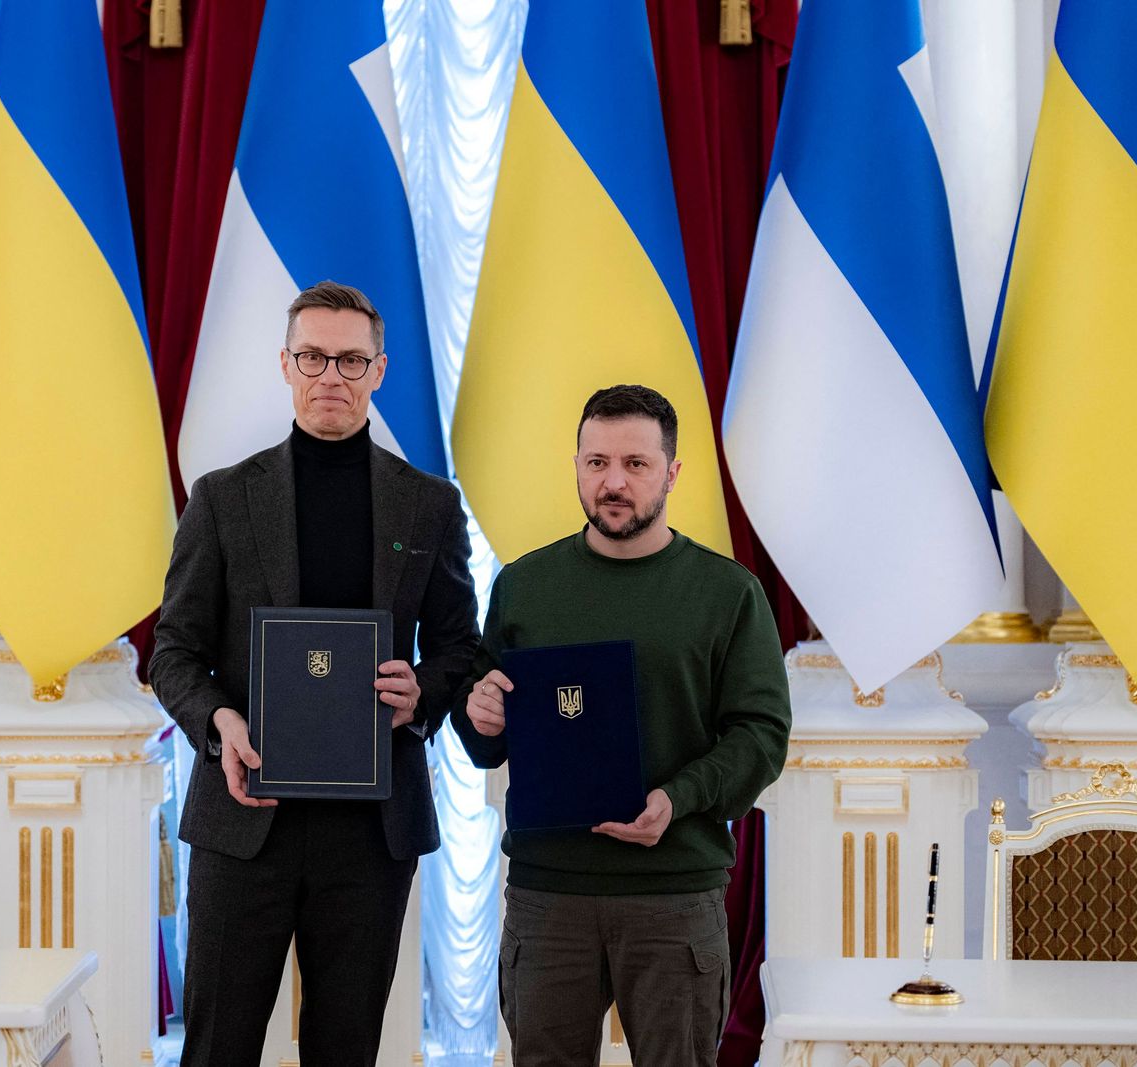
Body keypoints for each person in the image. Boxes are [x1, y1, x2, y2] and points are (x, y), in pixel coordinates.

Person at [150, 280, 478, 1067]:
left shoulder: (429, 505)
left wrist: (421, 692)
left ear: (380, 369)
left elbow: (463, 648)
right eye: (313, 357)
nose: (331, 374)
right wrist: (220, 722)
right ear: (286, 365)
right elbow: (172, 651)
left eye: (351, 359)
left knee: (346, 1052)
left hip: (371, 831)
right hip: (244, 818)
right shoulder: (223, 498)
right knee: (217, 1047)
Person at [451, 383, 791, 1066]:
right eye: (596, 462)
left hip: (674, 894)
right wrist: (478, 710)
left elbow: (760, 734)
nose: (613, 481)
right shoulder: (524, 584)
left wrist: (678, 798)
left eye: (635, 464)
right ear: (575, 465)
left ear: (671, 472)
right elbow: (489, 731)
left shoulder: (729, 593)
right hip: (549, 898)